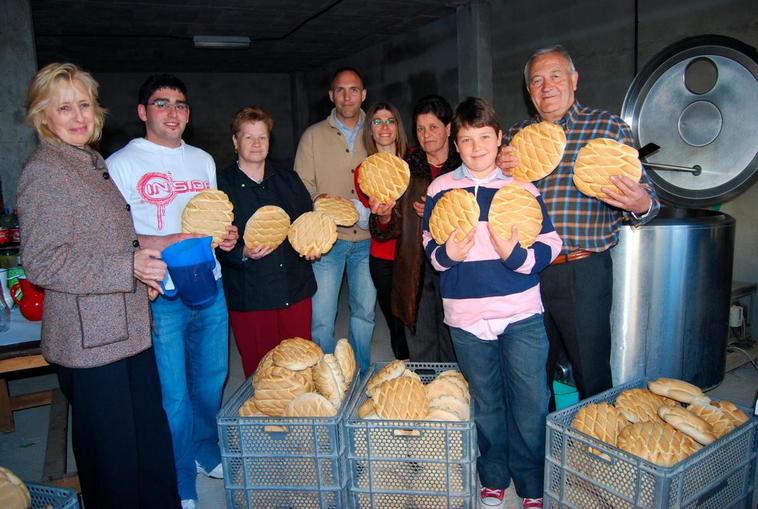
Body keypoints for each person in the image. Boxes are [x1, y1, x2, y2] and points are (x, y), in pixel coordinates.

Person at [18, 63, 180, 508]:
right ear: (42, 116)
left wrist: (138, 276)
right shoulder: (46, 172)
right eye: (64, 107)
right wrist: (127, 267)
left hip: (126, 330)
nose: (78, 116)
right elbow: (43, 262)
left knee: (148, 444)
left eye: (84, 104)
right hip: (90, 344)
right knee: (114, 464)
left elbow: (106, 242)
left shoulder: (90, 162)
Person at [498, 45, 660, 408]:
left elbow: (649, 197)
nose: (546, 86)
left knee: (592, 373)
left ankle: (595, 453)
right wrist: (497, 169)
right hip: (527, 273)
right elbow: (500, 205)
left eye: (555, 76)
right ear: (529, 91)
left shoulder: (606, 128)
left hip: (582, 269)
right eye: (536, 81)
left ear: (574, 80)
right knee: (533, 374)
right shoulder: (517, 136)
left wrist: (641, 203)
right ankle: (546, 450)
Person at [107, 74, 238, 509]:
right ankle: (180, 477)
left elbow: (210, 222)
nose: (173, 112)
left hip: (210, 286)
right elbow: (115, 236)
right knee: (174, 396)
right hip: (159, 294)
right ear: (143, 112)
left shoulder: (202, 160)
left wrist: (226, 236)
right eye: (161, 104)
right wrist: (172, 240)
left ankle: (204, 451)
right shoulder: (122, 164)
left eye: (180, 104)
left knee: (211, 381)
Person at [423, 97, 561, 509]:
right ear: (456, 142)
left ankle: (531, 483)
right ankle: (494, 475)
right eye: (467, 140)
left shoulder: (522, 188)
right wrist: (450, 253)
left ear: (499, 138)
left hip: (520, 312)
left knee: (531, 399)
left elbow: (551, 243)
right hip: (466, 316)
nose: (477, 147)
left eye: (485, 137)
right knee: (486, 401)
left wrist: (516, 256)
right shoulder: (441, 189)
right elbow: (430, 250)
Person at [216, 106, 316, 377]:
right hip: (251, 295)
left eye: (262, 136)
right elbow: (213, 239)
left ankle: (298, 421)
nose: (256, 143)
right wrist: (242, 252)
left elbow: (308, 224)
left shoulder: (288, 179)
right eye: (248, 137)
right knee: (261, 373)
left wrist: (312, 246)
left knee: (300, 369)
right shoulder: (220, 185)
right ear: (235, 142)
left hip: (294, 290)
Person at [294, 67, 376, 373]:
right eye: (340, 90)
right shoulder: (313, 136)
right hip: (329, 241)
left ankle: (360, 372)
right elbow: (301, 184)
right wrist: (322, 203)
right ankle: (326, 376)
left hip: (369, 240)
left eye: (354, 89)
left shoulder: (377, 131)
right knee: (322, 317)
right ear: (331, 95)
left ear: (363, 94)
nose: (347, 96)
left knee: (364, 313)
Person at [370, 95, 461, 362]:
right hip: (416, 268)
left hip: (457, 268)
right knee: (421, 346)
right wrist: (385, 215)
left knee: (456, 342)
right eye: (420, 129)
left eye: (433, 127)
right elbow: (387, 230)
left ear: (448, 128)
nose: (426, 135)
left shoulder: (464, 168)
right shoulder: (407, 171)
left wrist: (440, 213)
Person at [353, 101, 410, 360]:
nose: (384, 127)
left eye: (390, 121)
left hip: (413, 255)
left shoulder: (415, 160)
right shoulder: (364, 173)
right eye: (377, 121)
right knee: (396, 323)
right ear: (370, 130)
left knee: (422, 322)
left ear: (398, 127)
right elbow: (373, 219)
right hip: (383, 257)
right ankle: (405, 369)